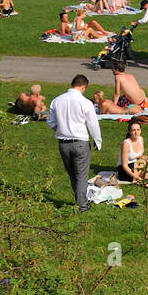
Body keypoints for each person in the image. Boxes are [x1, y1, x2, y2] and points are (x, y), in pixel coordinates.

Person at [47, 74, 103, 213]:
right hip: (80, 143)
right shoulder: (85, 102)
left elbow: (51, 122)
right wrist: (97, 140)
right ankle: (82, 205)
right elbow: (93, 124)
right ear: (83, 87)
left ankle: (80, 200)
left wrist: (62, 131)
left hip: (63, 143)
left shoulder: (57, 101)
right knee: (82, 176)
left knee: (73, 175)